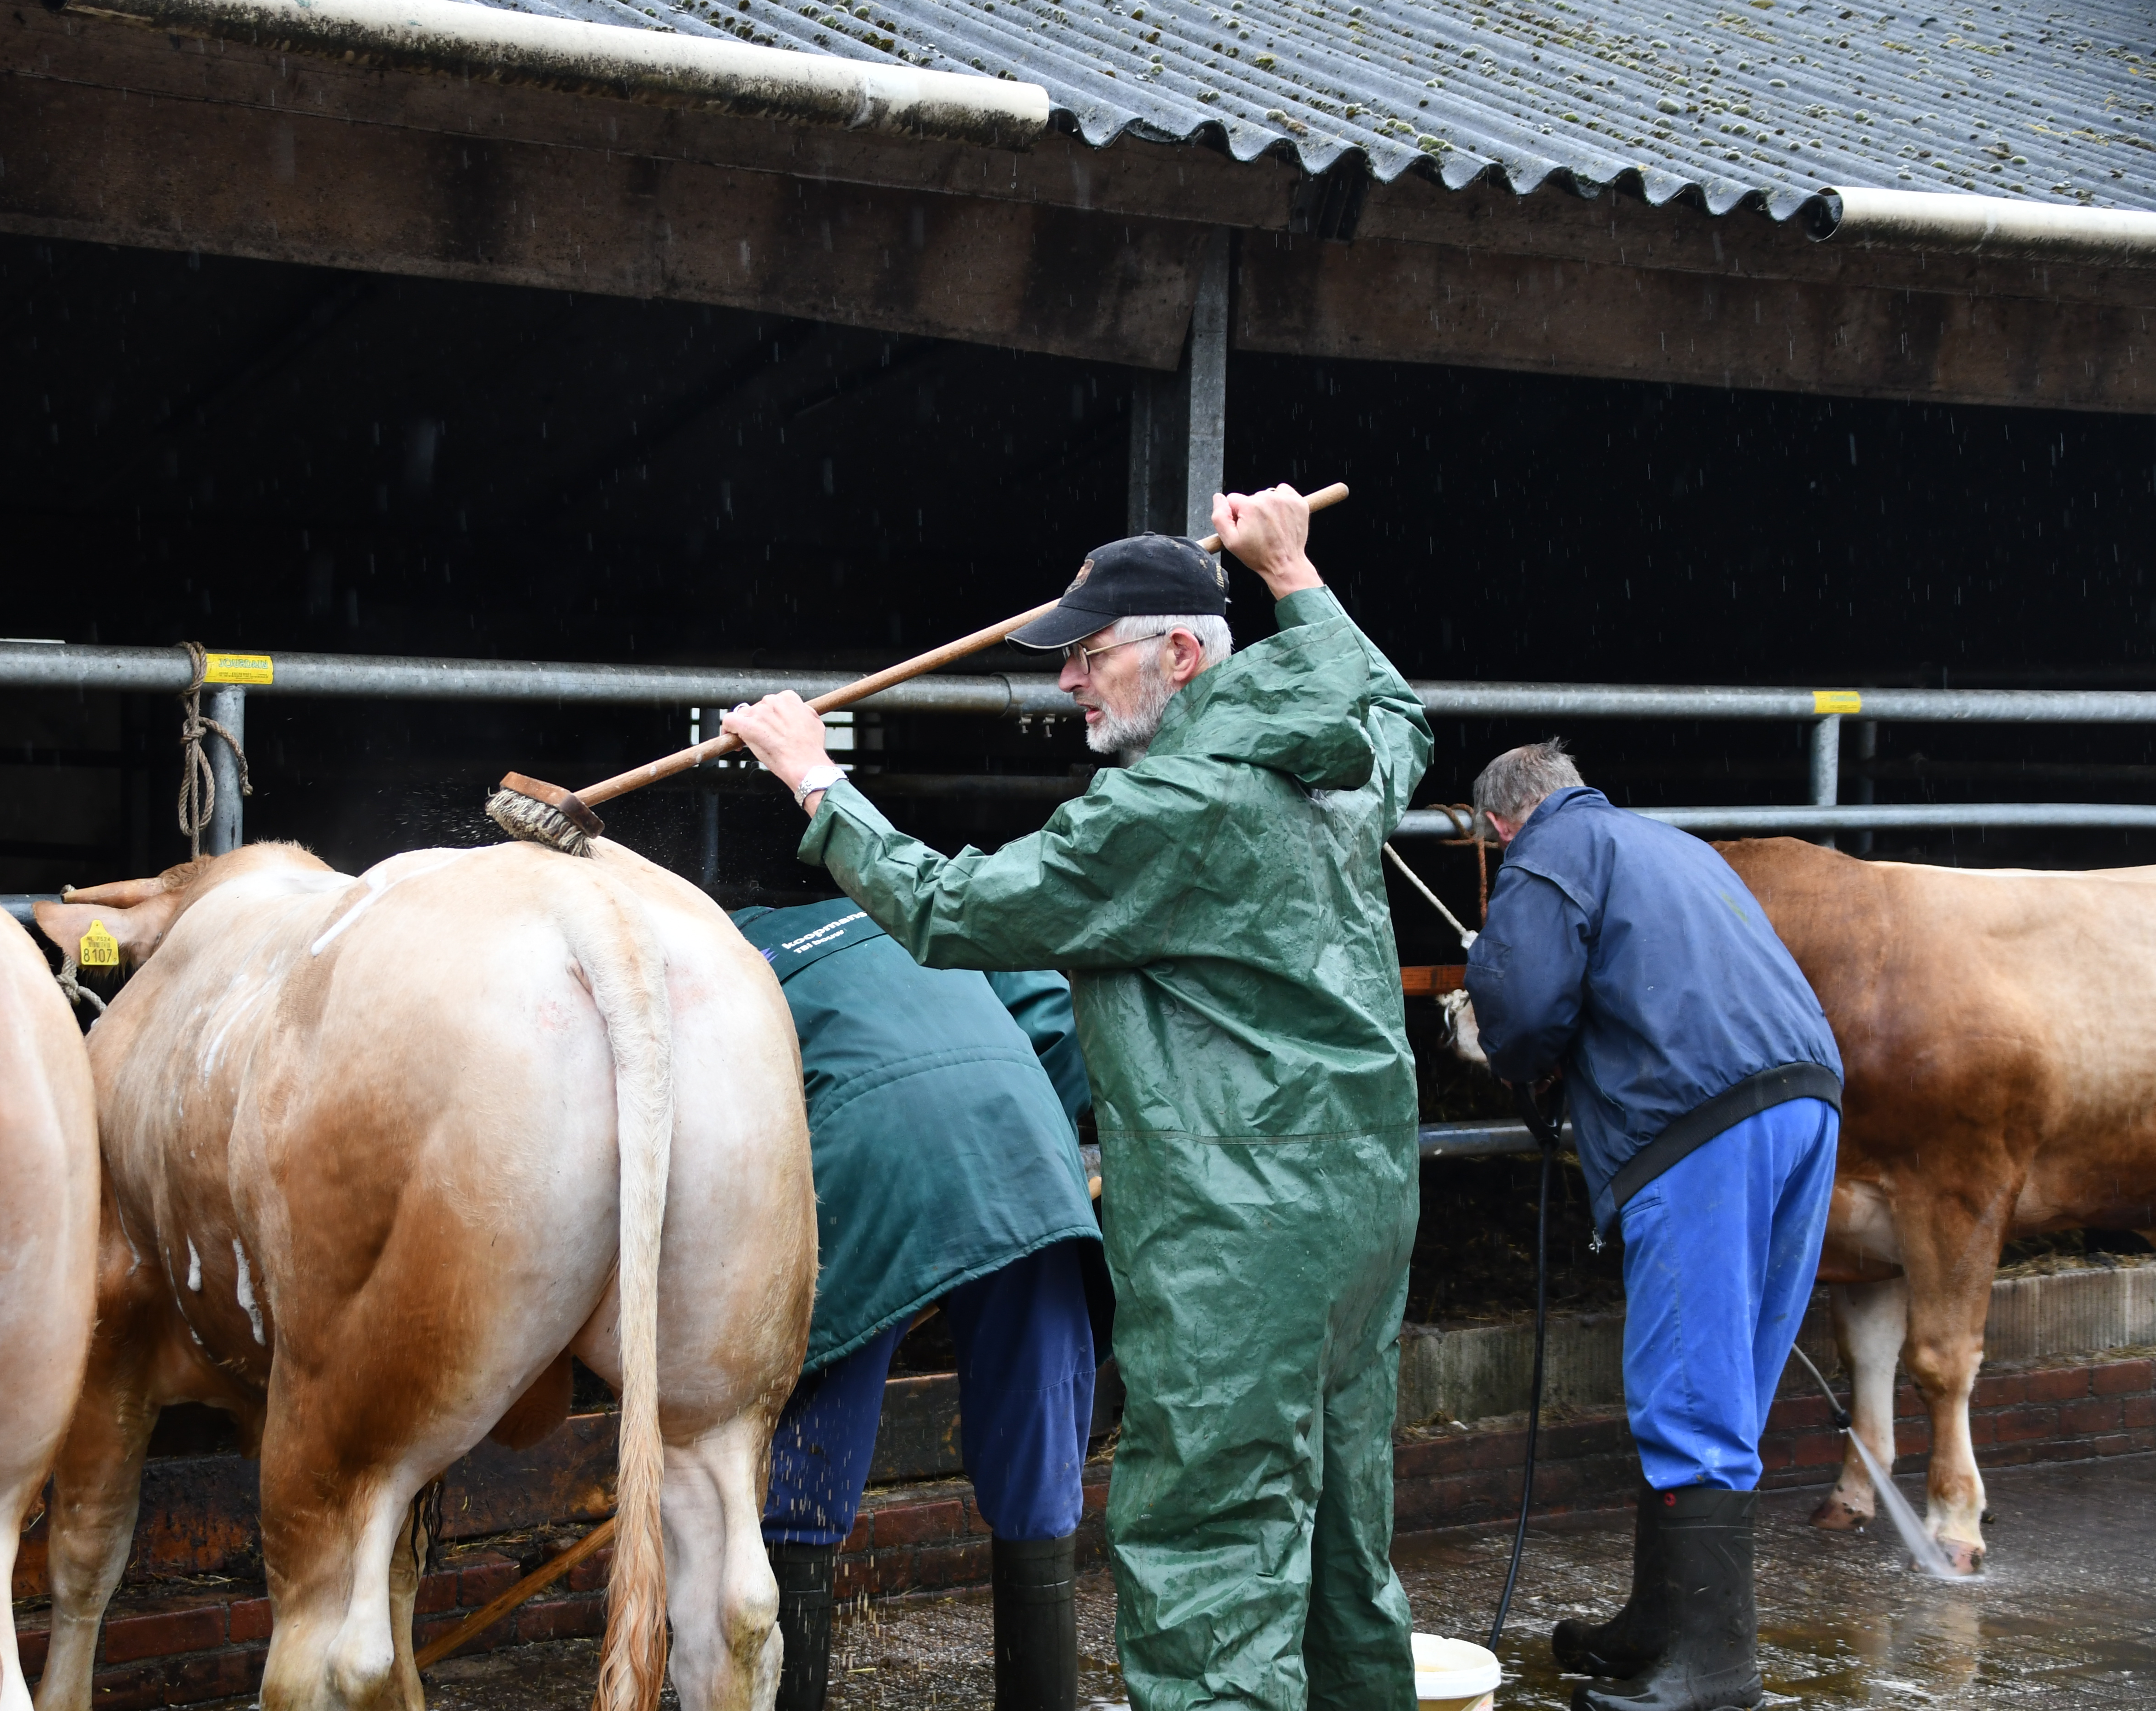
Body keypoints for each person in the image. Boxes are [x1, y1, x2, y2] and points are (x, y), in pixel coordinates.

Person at [725, 485, 1431, 1711]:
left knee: (1213, 1552)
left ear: (1174, 652)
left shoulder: (1168, 807)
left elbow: (951, 913)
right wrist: (1294, 572)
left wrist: (814, 784)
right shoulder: (1342, 767)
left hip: (1238, 1233)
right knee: (1336, 1542)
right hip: (1361, 1209)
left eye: (1090, 657)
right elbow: (1392, 707)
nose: (1069, 685)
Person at [1457, 739, 1842, 1711]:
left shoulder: (1549, 851)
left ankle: (1712, 1671)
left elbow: (1525, 1004)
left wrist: (1492, 1029)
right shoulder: (1672, 845)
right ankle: (1661, 1623)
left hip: (1698, 1123)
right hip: (1806, 1102)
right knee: (1730, 1380)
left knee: (1689, 1382)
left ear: (1501, 825)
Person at [730, 899, 1107, 1711]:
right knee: (1039, 1451)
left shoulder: (724, 948)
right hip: (1025, 1154)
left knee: (807, 1448)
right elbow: (1056, 1019)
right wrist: (1024, 1128)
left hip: (862, 1166)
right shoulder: (905, 912)